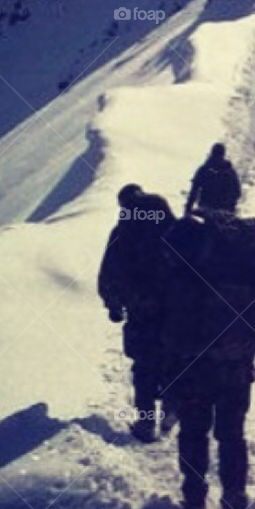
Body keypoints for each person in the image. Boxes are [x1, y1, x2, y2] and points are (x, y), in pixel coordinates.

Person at [161, 212, 255, 509]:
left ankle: (194, 502)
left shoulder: (192, 265)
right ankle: (235, 502)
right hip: (236, 367)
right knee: (231, 435)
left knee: (194, 431)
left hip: (194, 366)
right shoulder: (253, 271)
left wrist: (171, 363)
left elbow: (174, 319)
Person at [98, 184, 177, 442]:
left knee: (144, 367)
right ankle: (171, 407)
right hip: (172, 308)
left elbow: (108, 271)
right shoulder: (168, 222)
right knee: (172, 359)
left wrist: (113, 305)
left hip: (140, 310)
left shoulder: (122, 232)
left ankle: (145, 424)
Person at [184, 143, 241, 217]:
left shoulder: (227, 172)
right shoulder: (205, 169)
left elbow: (236, 192)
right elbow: (194, 191)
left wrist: (187, 210)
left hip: (220, 211)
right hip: (208, 210)